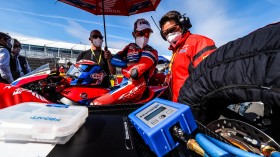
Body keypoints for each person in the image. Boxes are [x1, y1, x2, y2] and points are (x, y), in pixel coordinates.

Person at [92, 18, 158, 105]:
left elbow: (135, 72)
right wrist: (127, 64)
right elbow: (113, 59)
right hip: (125, 83)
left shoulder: (151, 51)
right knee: (92, 96)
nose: (144, 36)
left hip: (137, 86)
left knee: (97, 103)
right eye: (140, 33)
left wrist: (123, 66)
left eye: (147, 33)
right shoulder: (129, 47)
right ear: (134, 34)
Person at [159, 11, 217, 102]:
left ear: (182, 25)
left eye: (172, 29)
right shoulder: (176, 50)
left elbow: (209, 77)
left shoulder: (198, 41)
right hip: (179, 104)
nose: (169, 34)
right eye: (165, 33)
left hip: (195, 105)